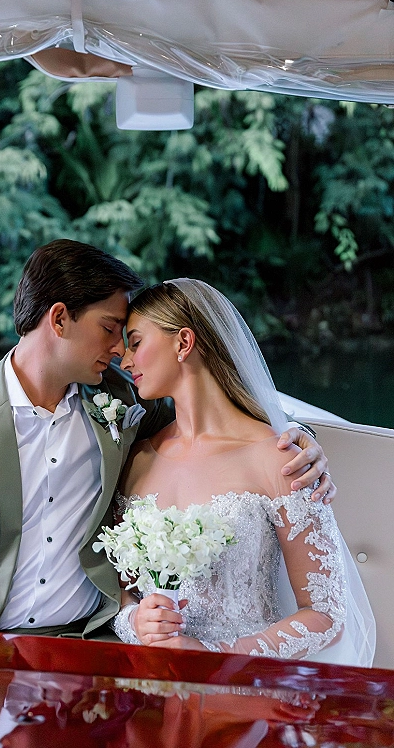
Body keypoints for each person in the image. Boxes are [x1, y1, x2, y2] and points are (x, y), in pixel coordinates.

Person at [0, 240, 334, 637]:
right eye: (110, 328)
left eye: (129, 338)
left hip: (102, 637)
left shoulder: (121, 396)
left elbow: (222, 418)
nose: (119, 352)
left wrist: (300, 441)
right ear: (58, 319)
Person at [113, 279, 375, 665]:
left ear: (184, 343)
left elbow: (325, 613)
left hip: (245, 685)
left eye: (135, 343)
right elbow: (126, 593)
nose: (125, 360)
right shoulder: (137, 459)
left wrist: (220, 657)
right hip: (151, 681)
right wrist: (135, 621)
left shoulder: (283, 459)